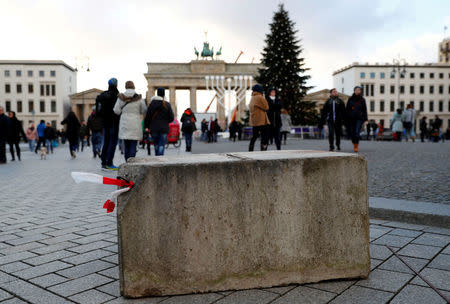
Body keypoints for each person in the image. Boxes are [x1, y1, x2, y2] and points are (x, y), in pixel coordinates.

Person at [113, 81, 147, 161]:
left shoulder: (121, 97)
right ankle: (132, 162)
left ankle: (127, 161)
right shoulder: (138, 98)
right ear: (133, 86)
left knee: (126, 144)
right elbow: (144, 110)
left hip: (125, 122)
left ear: (126, 87)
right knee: (133, 144)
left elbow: (116, 110)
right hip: (135, 122)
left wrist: (123, 112)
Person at [96, 78, 120, 170]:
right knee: (112, 143)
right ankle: (109, 163)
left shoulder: (102, 95)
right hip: (114, 122)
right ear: (116, 85)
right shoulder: (116, 95)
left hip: (105, 122)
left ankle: (103, 162)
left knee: (106, 142)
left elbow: (98, 111)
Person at [145, 88, 174, 156]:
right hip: (164, 128)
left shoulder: (152, 104)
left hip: (154, 128)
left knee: (156, 145)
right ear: (164, 94)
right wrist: (166, 122)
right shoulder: (167, 104)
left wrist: (147, 126)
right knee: (161, 145)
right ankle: (160, 159)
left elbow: (147, 117)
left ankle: (157, 158)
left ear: (157, 93)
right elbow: (171, 118)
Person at [345, 86, 368, 152]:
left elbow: (364, 110)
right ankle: (354, 141)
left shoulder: (362, 99)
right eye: (357, 90)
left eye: (359, 90)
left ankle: (356, 146)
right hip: (351, 118)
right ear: (354, 91)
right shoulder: (350, 99)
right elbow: (347, 109)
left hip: (359, 118)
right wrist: (347, 117)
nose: (358, 91)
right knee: (352, 132)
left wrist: (366, 119)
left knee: (357, 132)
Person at [249, 84, 270, 151]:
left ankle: (251, 148)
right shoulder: (260, 97)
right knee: (265, 136)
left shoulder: (252, 98)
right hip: (262, 120)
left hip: (255, 121)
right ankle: (263, 149)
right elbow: (266, 107)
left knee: (255, 136)